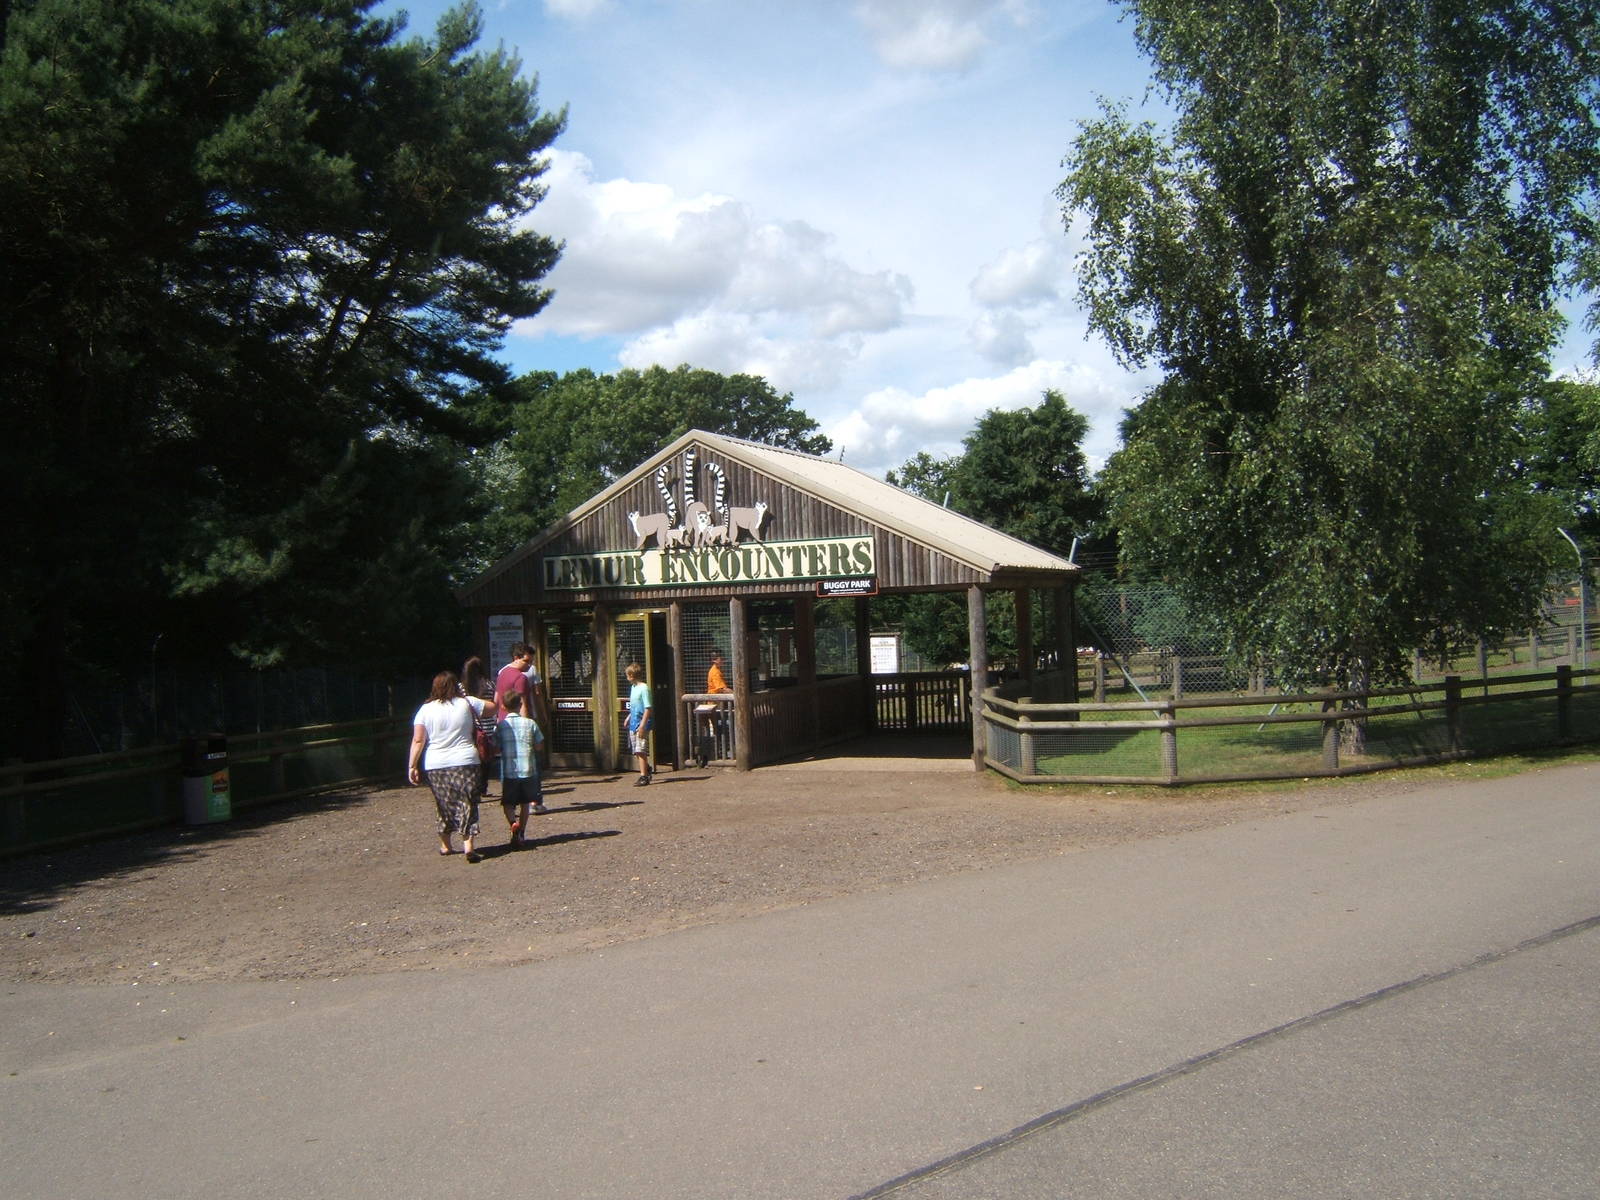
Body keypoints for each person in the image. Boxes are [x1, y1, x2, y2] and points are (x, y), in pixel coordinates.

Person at [409, 671, 489, 862]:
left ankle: (445, 845)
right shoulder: (467, 703)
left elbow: (418, 740)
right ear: (456, 686)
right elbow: (494, 707)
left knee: (443, 803)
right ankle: (468, 845)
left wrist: (412, 765)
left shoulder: (425, 709)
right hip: (466, 760)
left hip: (436, 763)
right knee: (467, 801)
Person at [496, 691, 546, 848]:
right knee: (525, 803)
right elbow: (539, 745)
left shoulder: (501, 726)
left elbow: (496, 748)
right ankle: (522, 832)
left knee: (508, 803)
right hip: (528, 769)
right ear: (520, 705)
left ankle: (512, 822)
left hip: (510, 771)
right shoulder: (530, 723)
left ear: (503, 706)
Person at [461, 655, 498, 798]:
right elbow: (494, 703)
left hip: (470, 727)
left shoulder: (461, 687)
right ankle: (483, 787)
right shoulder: (489, 685)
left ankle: (472, 786)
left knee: (472, 758)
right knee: (485, 758)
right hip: (487, 726)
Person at [625, 661, 652, 786]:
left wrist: (642, 725)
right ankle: (647, 768)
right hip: (633, 722)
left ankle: (644, 776)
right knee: (636, 750)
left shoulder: (644, 688)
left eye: (628, 675)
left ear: (632, 675)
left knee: (641, 749)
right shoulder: (633, 688)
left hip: (642, 722)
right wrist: (628, 717)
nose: (627, 677)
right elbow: (634, 706)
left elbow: (648, 707)